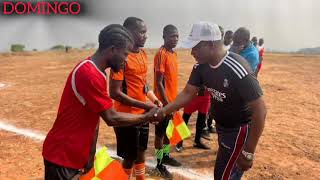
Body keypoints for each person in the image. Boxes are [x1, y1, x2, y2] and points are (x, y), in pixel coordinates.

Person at [42, 24, 160, 180]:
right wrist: (147, 117)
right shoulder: (88, 73)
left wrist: (89, 156)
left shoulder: (99, 73)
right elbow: (111, 118)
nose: (126, 60)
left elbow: (94, 119)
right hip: (62, 156)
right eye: (125, 54)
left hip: (76, 156)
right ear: (112, 50)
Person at [154, 21, 267, 180]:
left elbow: (260, 110)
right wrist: (164, 111)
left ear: (211, 44)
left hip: (238, 130)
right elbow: (188, 92)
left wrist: (248, 151)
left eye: (196, 47)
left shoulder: (237, 68)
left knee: (223, 176)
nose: (192, 51)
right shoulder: (201, 67)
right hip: (223, 128)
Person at [109, 17, 161, 180]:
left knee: (141, 151)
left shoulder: (143, 54)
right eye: (142, 32)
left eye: (146, 32)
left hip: (143, 114)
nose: (146, 36)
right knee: (129, 156)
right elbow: (115, 92)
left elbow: (143, 84)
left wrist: (154, 100)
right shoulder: (121, 58)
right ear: (129, 33)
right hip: (126, 116)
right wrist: (146, 107)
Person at [153, 24, 181, 179]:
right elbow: (159, 83)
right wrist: (167, 104)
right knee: (159, 134)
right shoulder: (161, 54)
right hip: (163, 104)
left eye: (177, 36)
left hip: (171, 103)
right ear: (164, 36)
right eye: (172, 36)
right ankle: (159, 163)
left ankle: (166, 155)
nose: (175, 39)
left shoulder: (174, 54)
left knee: (167, 132)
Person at [176, 86, 211, 151]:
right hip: (193, 96)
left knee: (201, 119)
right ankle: (179, 142)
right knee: (185, 119)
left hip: (206, 97)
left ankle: (197, 141)